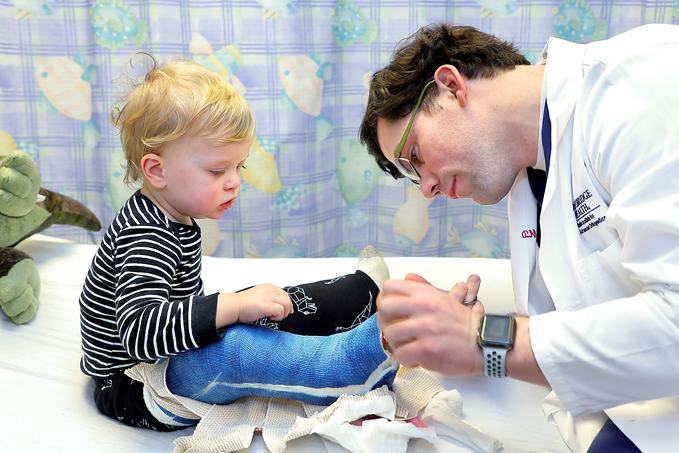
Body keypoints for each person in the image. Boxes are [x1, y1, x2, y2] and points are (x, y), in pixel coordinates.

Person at [359, 23, 679, 452]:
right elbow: (569, 322)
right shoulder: (528, 176)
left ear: (451, 86)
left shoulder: (635, 85)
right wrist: (449, 333)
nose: (426, 190)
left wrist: (487, 339)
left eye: (413, 156)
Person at [78, 52, 397, 432]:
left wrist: (243, 303)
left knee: (266, 302)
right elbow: (141, 332)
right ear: (157, 170)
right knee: (238, 346)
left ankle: (359, 294)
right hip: (138, 385)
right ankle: (346, 368)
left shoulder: (170, 215)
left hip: (165, 359)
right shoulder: (146, 234)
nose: (233, 182)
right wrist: (235, 305)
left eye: (238, 166)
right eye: (217, 170)